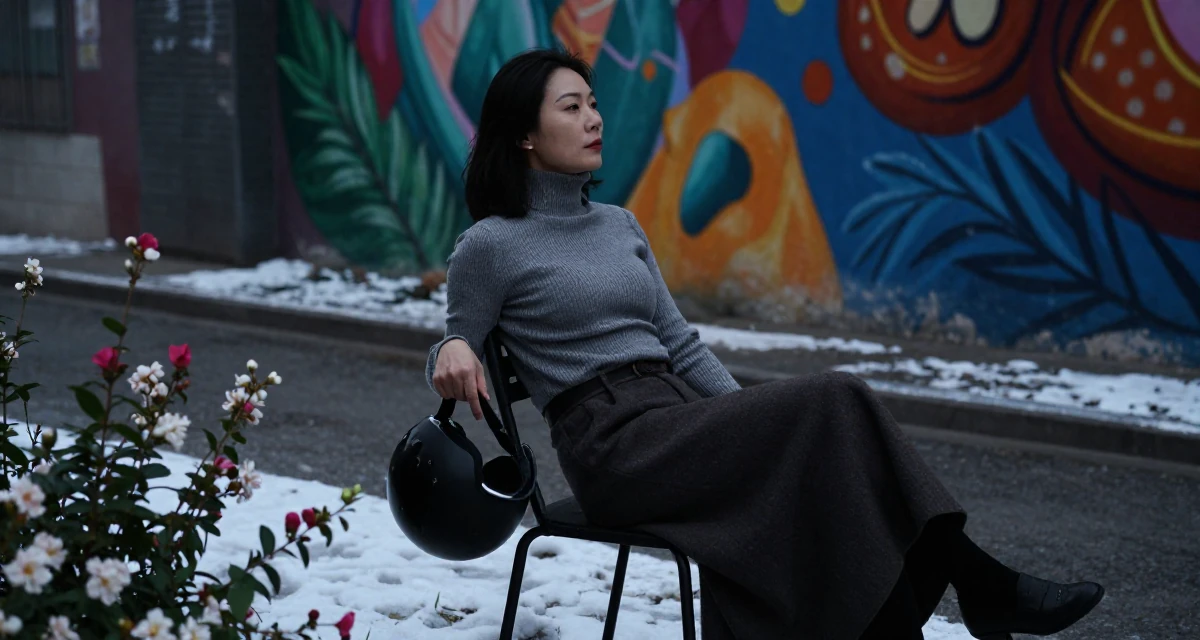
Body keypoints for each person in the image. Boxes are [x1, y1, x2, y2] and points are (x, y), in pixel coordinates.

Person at [426, 48, 1104, 640]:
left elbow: (681, 345)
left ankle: (942, 604)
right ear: (522, 134)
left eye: (594, 103)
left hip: (678, 419)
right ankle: (981, 584)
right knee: (838, 396)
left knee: (825, 430)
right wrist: (453, 348)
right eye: (572, 107)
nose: (595, 119)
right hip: (613, 448)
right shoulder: (492, 244)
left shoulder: (620, 223)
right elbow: (459, 334)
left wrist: (756, 422)